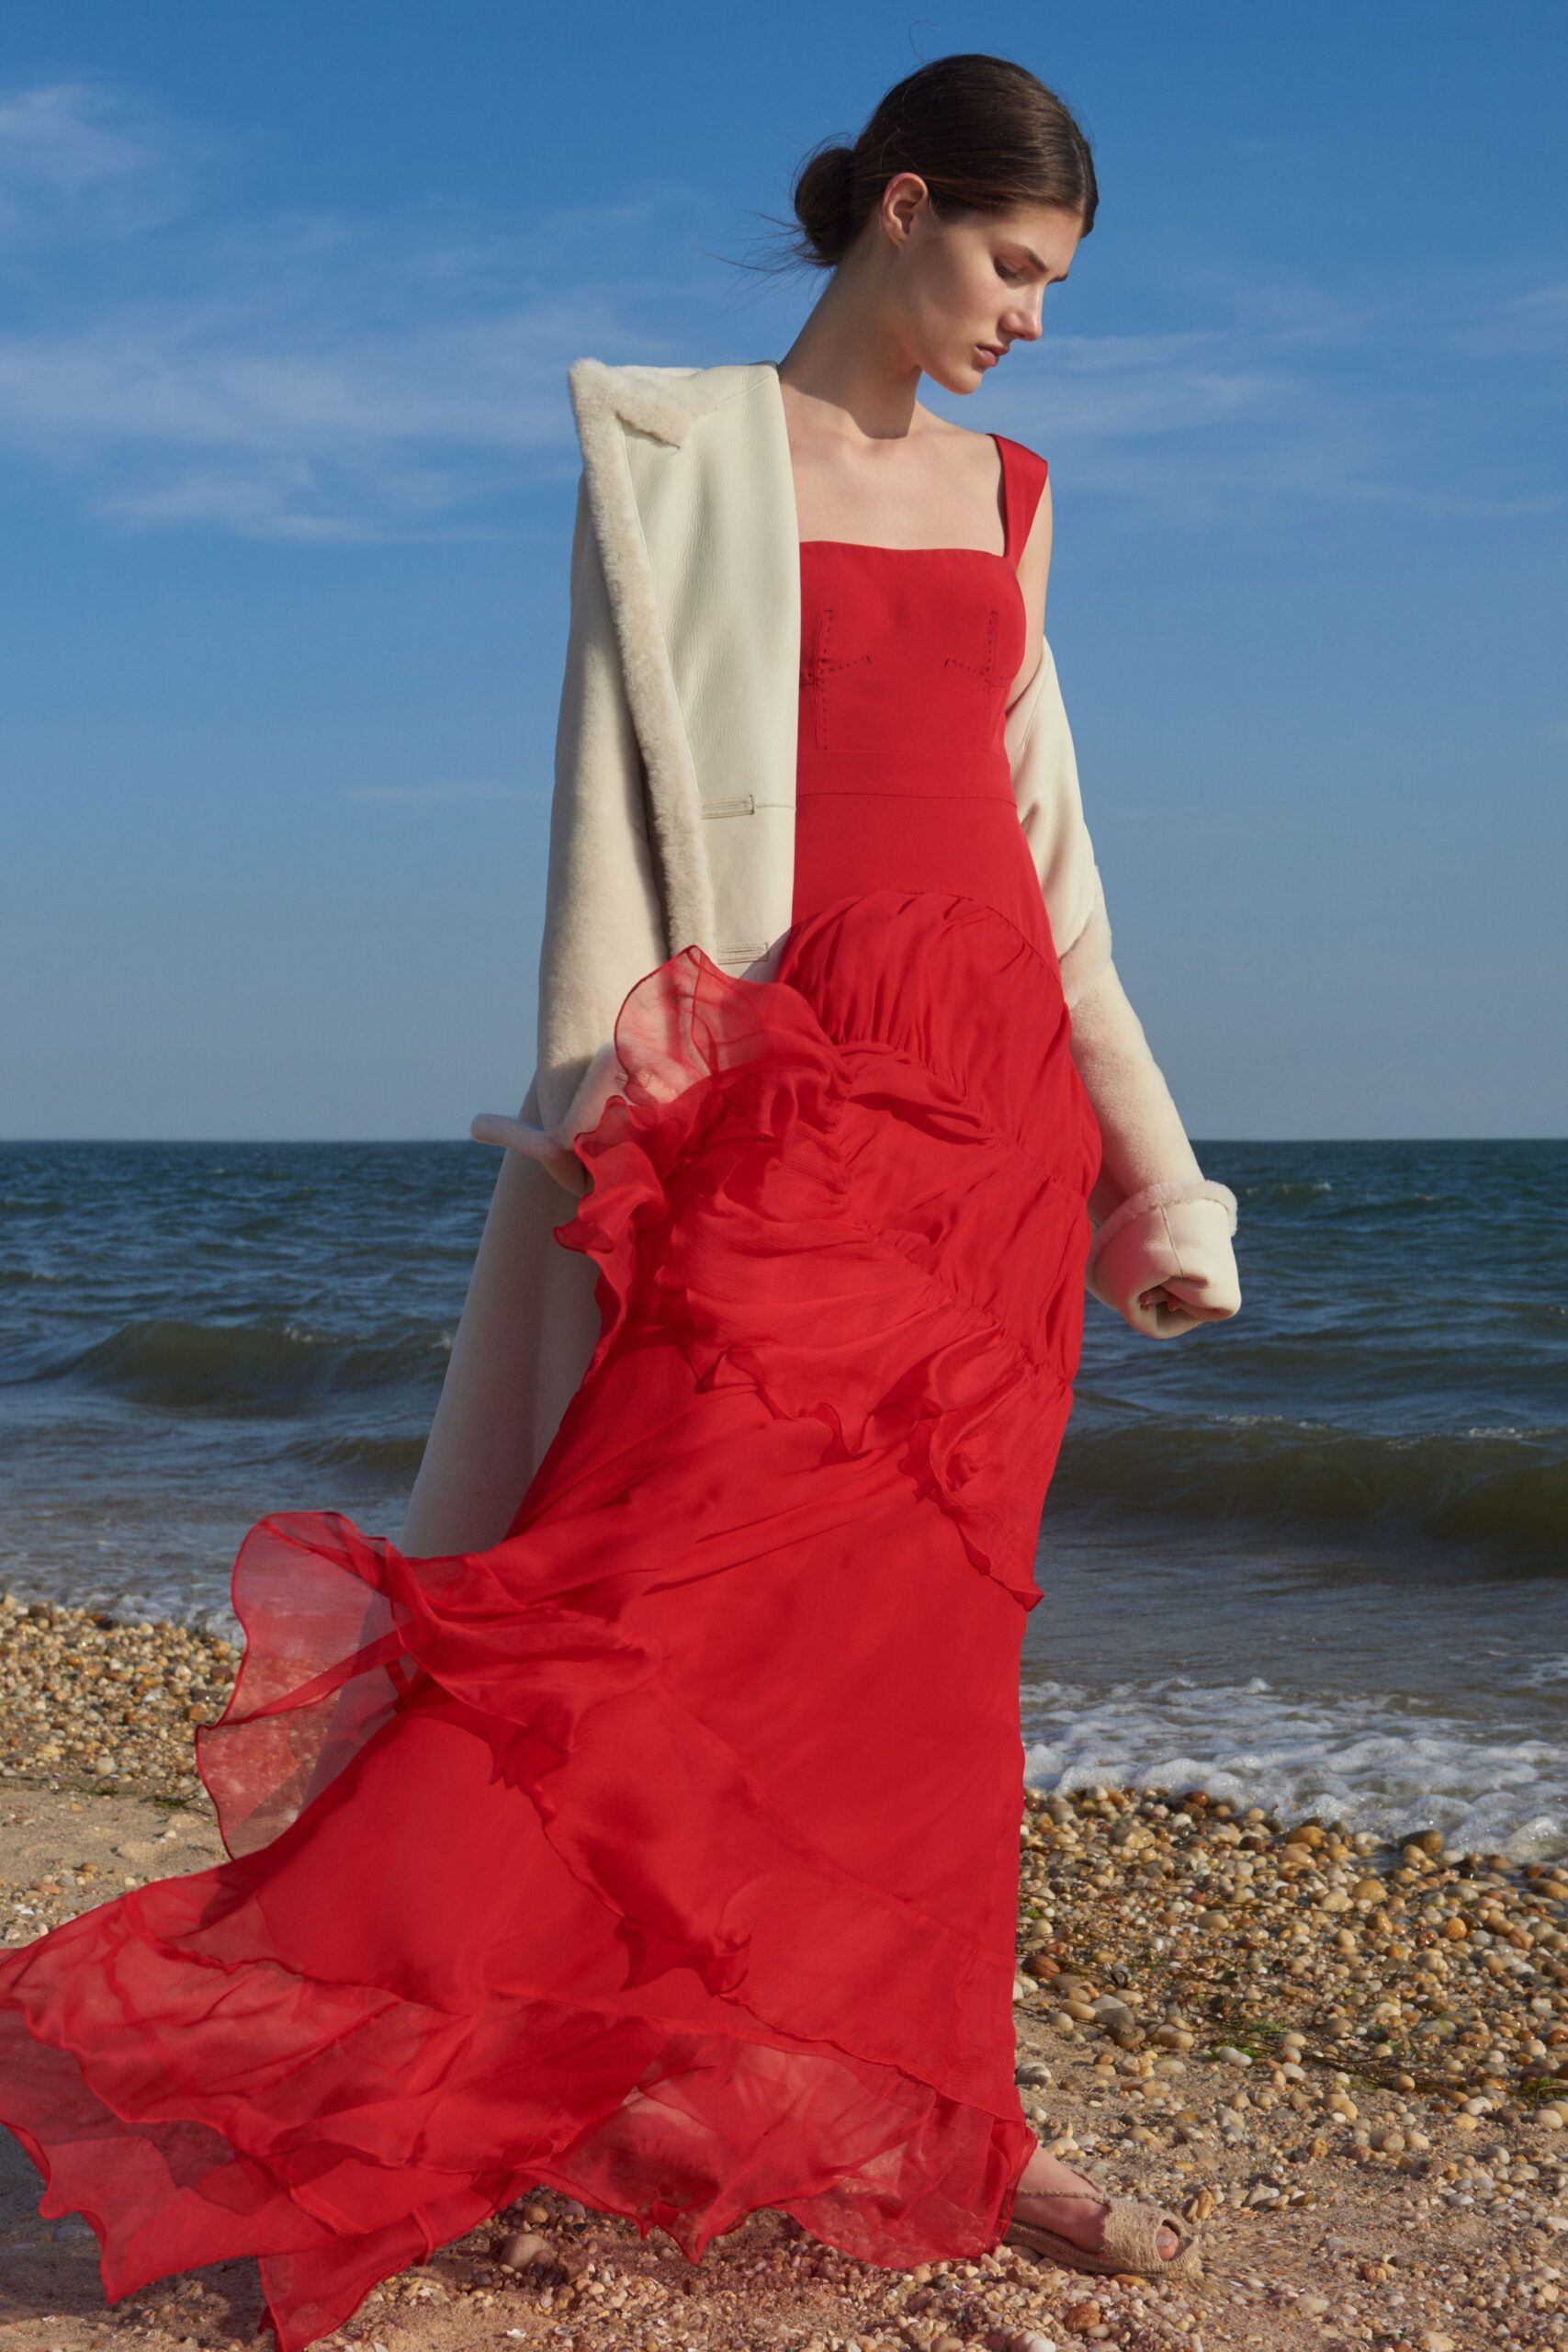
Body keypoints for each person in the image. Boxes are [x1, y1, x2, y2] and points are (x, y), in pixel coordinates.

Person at [0, 51, 1238, 2352]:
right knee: (629, 1610)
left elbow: (1057, 867)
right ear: (901, 208)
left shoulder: (1013, 490)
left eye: (1053, 285)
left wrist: (1148, 1164)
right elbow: (608, 830)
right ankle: (396, 2022)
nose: (1031, 322)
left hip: (991, 1123)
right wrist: (621, 1129)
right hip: (769, 1094)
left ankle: (953, 2109)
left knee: (927, 1661)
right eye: (1011, 267)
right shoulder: (669, 458)